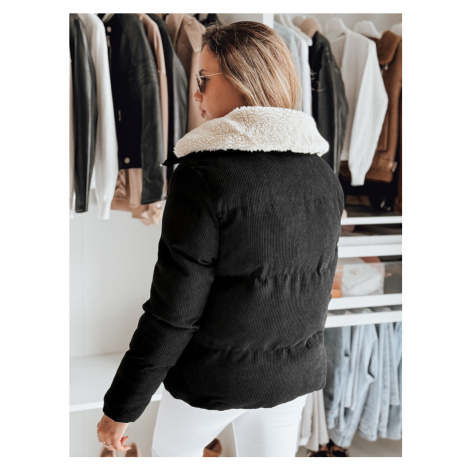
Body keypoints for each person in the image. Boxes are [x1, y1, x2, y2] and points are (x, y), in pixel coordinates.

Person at [97, 20, 344, 457]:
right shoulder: (322, 175)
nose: (196, 95)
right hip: (291, 380)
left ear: (243, 81)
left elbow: (174, 312)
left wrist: (122, 406)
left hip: (212, 382)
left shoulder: (203, 176)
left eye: (203, 80)